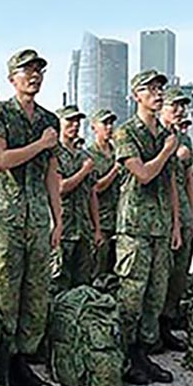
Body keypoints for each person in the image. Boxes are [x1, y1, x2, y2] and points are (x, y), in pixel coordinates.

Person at [0, 48, 60, 386]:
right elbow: (0, 160)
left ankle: (22, 362)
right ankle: (3, 365)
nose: (34, 76)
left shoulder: (49, 119)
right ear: (12, 77)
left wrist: (58, 219)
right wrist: (39, 143)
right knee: (5, 292)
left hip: (37, 219)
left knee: (35, 294)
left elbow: (51, 173)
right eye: (27, 70)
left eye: (39, 71)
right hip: (8, 219)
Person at [113, 69, 180, 385]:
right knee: (132, 296)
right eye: (149, 89)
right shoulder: (126, 134)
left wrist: (176, 225)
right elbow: (142, 174)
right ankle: (126, 356)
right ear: (136, 96)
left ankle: (144, 353)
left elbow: (170, 184)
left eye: (159, 88)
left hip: (159, 226)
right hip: (135, 227)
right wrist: (167, 151)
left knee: (155, 295)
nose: (157, 93)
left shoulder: (163, 133)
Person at [157, 87, 193, 352]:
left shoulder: (185, 139)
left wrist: (189, 215)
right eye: (174, 106)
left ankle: (167, 322)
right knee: (160, 273)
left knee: (179, 274)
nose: (179, 111)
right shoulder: (155, 136)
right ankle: (152, 328)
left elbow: (190, 178)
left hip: (182, 208)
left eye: (182, 106)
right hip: (159, 210)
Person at [53, 105, 101, 293]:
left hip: (83, 230)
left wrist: (96, 228)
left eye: (77, 122)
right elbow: (61, 188)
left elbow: (92, 195)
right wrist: (84, 171)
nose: (74, 125)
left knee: (83, 284)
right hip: (63, 230)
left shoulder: (84, 156)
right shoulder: (54, 153)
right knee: (58, 283)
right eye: (69, 121)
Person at [87, 109, 121, 280]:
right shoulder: (89, 156)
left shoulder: (119, 152)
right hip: (101, 221)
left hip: (121, 221)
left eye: (111, 124)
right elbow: (97, 187)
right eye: (104, 124)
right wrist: (115, 169)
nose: (109, 128)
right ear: (94, 127)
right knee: (98, 270)